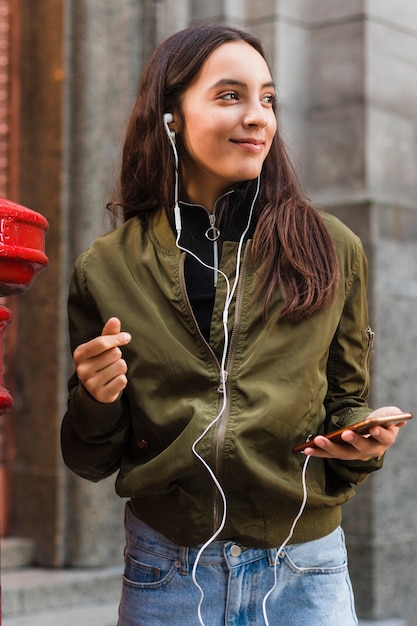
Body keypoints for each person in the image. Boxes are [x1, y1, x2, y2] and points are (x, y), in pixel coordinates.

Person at [61, 22, 408, 626]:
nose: (258, 117)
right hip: (167, 569)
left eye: (267, 98)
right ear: (171, 116)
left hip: (305, 569)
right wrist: (96, 398)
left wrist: (363, 438)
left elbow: (347, 402)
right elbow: (90, 458)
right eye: (230, 96)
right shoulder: (107, 267)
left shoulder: (332, 247)